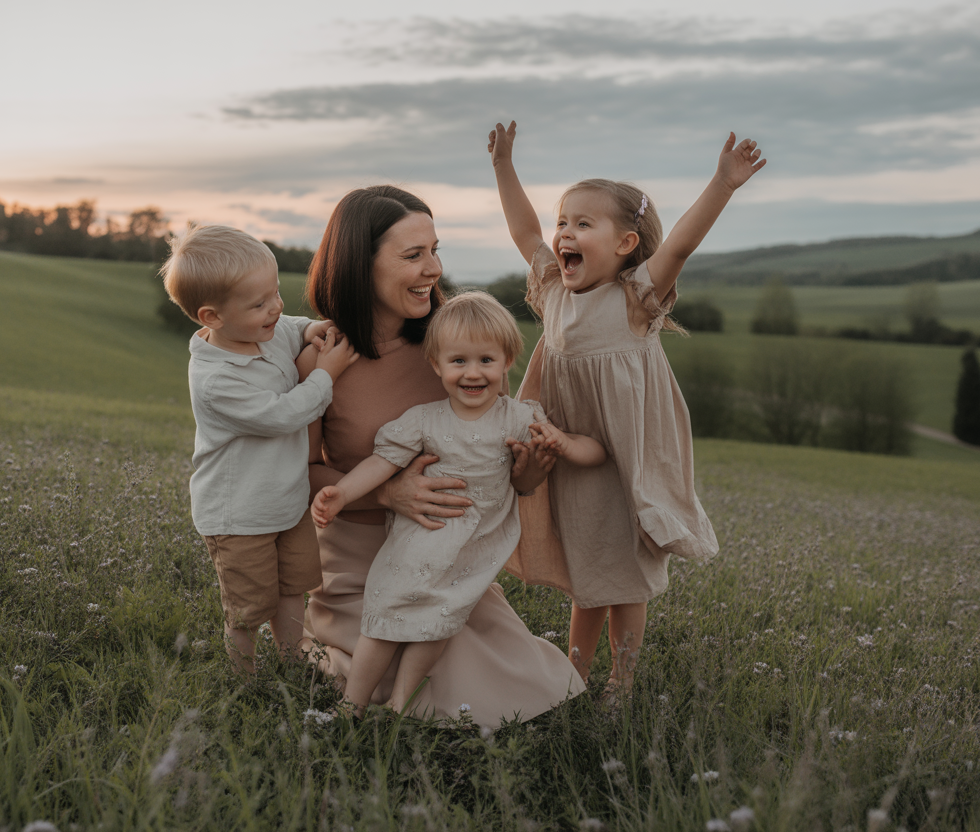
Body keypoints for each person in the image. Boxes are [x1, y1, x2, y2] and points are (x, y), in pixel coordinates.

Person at [488, 121, 765, 696]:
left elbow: (683, 242)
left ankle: (622, 681)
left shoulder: (637, 299)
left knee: (627, 580)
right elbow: (523, 229)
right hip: (572, 457)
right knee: (590, 576)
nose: (563, 232)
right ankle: (573, 675)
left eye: (583, 223)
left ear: (625, 245)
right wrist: (503, 165)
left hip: (628, 462)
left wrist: (723, 182)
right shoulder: (555, 294)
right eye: (563, 221)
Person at [297, 185, 586, 730]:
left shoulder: (454, 334)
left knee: (517, 682)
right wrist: (388, 491)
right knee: (389, 676)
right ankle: (329, 643)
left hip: (451, 553)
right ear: (361, 264)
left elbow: (490, 452)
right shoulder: (323, 355)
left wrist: (525, 476)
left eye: (435, 249)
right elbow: (302, 470)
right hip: (360, 558)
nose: (432, 269)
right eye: (413, 255)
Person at [161, 224, 358, 674]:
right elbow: (283, 415)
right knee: (249, 608)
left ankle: (290, 662)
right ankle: (244, 678)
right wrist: (325, 373)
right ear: (212, 318)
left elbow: (294, 327)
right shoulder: (216, 380)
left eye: (275, 293)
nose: (276, 308)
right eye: (259, 303)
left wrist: (315, 329)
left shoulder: (266, 332)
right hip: (239, 515)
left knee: (292, 588)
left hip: (286, 502)